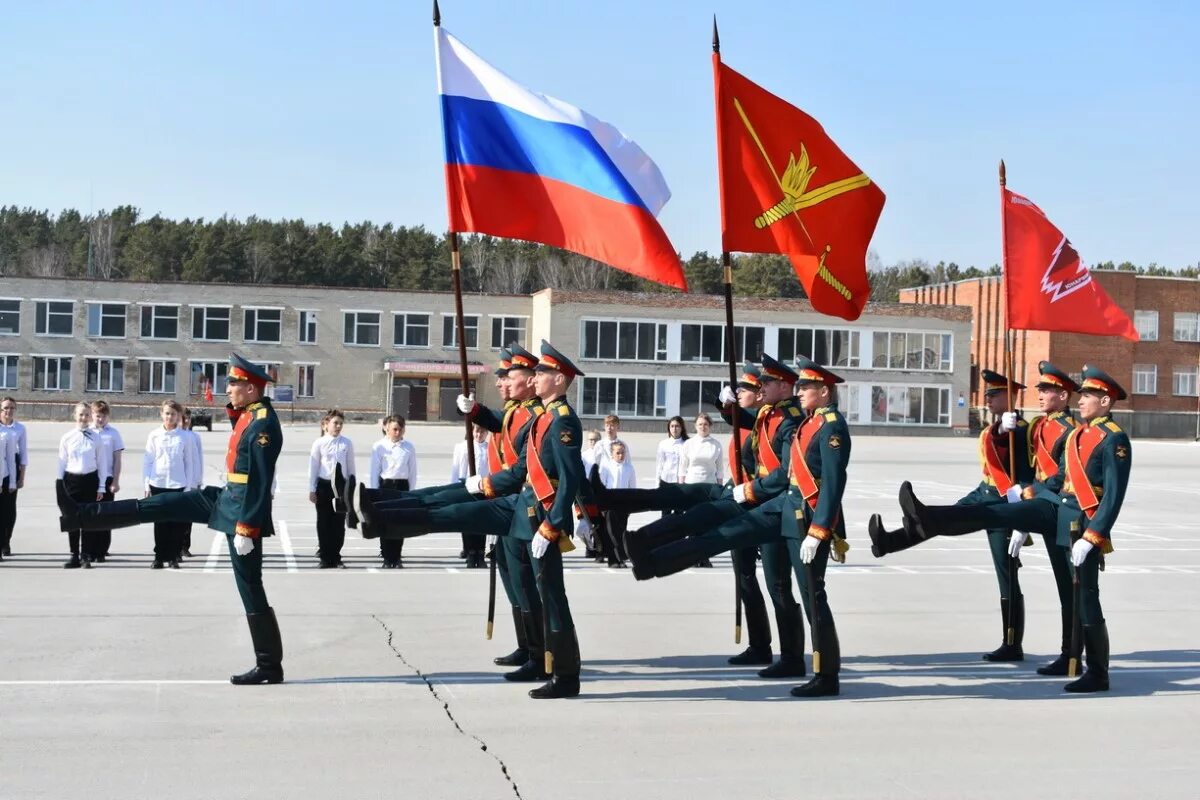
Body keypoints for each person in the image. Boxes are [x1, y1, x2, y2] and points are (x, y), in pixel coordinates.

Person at [357, 341, 591, 699]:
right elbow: (521, 469)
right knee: (457, 516)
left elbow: (570, 478)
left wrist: (554, 523)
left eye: (542, 373)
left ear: (557, 380)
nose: (537, 378)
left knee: (551, 596)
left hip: (539, 516)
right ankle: (380, 515)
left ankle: (565, 675)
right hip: (523, 508)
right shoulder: (544, 416)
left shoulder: (561, 421)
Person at [895, 365, 1129, 693]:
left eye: (1088, 395)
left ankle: (1097, 672)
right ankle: (931, 517)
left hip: (1083, 523)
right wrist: (1031, 498)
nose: (1082, 400)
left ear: (1106, 401)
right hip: (1057, 508)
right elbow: (1061, 477)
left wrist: (1094, 536)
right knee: (996, 515)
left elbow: (1114, 495)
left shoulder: (1113, 438)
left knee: (1083, 596)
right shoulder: (1079, 434)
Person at [57, 353, 286, 684]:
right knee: (166, 503)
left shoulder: (263, 424)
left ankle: (269, 666)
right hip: (226, 499)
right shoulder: (252, 414)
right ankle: (84, 515)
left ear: (250, 388)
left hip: (241, 514)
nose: (228, 390)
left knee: (249, 586)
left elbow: (261, 482)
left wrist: (247, 529)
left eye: (233, 385)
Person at [869, 361, 1079, 675]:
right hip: (987, 490)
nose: (989, 399)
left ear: (1009, 397)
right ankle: (894, 539)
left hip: (1009, 500)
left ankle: (1014, 642)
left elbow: (1026, 470)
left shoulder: (1028, 429)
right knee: (942, 518)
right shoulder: (1023, 426)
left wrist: (1021, 518)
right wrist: (999, 429)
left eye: (995, 395)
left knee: (1006, 571)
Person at [611, 355, 808, 679]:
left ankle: (792, 657)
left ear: (783, 386)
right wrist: (723, 401)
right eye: (753, 385)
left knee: (778, 585)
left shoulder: (786, 419)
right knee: (748, 578)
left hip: (773, 507)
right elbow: (735, 417)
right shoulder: (765, 416)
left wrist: (749, 490)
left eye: (764, 383)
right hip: (753, 501)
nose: (758, 388)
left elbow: (779, 473)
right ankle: (762, 646)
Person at [144, 400, 199, 569]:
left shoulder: (186, 437)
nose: (170, 417)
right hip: (158, 483)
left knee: (176, 524)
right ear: (162, 414)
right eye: (167, 413)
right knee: (160, 523)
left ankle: (174, 556)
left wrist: (189, 487)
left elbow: (189, 463)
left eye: (173, 414)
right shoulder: (154, 435)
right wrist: (147, 484)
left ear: (179, 416)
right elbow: (148, 461)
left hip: (178, 484)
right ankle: (159, 556)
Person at [57, 402, 110, 569]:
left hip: (90, 481)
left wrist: (101, 486)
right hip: (71, 481)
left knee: (88, 520)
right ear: (75, 415)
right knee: (72, 519)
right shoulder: (67, 437)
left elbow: (102, 463)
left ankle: (86, 555)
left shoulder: (96, 437)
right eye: (81, 414)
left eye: (87, 414)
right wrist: (59, 484)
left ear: (90, 416)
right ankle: (74, 555)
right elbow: (61, 462)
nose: (84, 418)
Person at [367, 415, 417, 568]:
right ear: (386, 429)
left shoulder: (408, 447)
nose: (398, 432)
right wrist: (375, 493)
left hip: (402, 487)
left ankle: (397, 556)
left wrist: (411, 492)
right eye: (395, 429)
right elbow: (374, 471)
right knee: (386, 522)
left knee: (400, 523)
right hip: (386, 486)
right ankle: (387, 557)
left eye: (400, 429)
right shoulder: (379, 446)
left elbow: (413, 471)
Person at [308, 409, 356, 568]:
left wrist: (352, 488)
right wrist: (312, 488)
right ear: (325, 424)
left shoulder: (347, 443)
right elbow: (313, 467)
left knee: (338, 522)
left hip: (340, 487)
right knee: (323, 522)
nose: (338, 426)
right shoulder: (319, 443)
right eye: (335, 423)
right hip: (324, 486)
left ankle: (335, 556)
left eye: (341, 423)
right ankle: (325, 556)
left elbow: (351, 468)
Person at [85, 401, 124, 563]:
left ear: (108, 417)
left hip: (107, 478)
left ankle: (102, 550)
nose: (100, 419)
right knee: (90, 515)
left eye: (103, 416)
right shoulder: (86, 432)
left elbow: (117, 459)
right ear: (92, 416)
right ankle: (89, 549)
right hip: (89, 478)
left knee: (106, 515)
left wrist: (115, 481)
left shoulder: (113, 434)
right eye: (97, 416)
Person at [450, 423, 491, 568]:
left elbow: (491, 469)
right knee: (468, 521)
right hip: (466, 487)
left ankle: (480, 553)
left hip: (483, 488)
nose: (479, 435)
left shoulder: (489, 448)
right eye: (476, 432)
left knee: (482, 523)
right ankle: (470, 552)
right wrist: (455, 488)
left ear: (486, 433)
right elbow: (456, 470)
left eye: (482, 432)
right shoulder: (463, 447)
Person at [598, 440, 636, 566]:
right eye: (618, 453)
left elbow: (633, 488)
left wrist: (632, 505)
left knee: (621, 532)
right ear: (612, 454)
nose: (621, 455)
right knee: (611, 534)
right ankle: (613, 559)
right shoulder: (606, 467)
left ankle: (621, 559)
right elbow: (601, 485)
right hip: (610, 503)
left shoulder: (629, 468)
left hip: (623, 504)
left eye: (622, 453)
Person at [0, 397, 28, 557]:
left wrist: (21, 477)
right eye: (5, 408)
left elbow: (23, 455)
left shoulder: (19, 428)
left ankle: (6, 542)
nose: (8, 411)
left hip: (12, 468)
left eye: (11, 408)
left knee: (9, 509)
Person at [179, 407, 205, 558]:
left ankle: (185, 546)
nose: (186, 422)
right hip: (178, 481)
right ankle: (174, 546)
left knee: (188, 517)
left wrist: (199, 479)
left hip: (193, 482)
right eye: (183, 419)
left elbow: (199, 460)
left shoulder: (195, 437)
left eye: (188, 419)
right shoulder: (177, 436)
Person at [655, 416, 687, 506]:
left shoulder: (687, 443)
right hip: (666, 481)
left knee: (679, 511)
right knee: (665, 511)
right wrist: (657, 484)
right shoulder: (663, 444)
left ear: (682, 428)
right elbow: (659, 465)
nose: (674, 429)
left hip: (682, 483)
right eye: (672, 426)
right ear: (669, 428)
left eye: (677, 426)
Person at [0, 419, 14, 562]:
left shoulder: (5, 433)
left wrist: (12, 482)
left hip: (2, 477)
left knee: (3, 515)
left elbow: (10, 460)